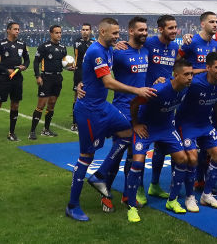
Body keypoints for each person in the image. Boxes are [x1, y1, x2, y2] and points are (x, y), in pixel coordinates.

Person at [66, 17, 156, 222]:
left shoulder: (110, 49)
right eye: (114, 33)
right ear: (102, 31)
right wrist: (137, 90)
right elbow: (107, 82)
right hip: (89, 110)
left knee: (128, 131)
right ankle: (72, 205)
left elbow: (89, 73)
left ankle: (100, 175)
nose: (117, 37)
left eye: (118, 33)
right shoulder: (97, 50)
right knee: (86, 157)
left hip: (103, 106)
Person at [86, 17, 149, 207]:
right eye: (140, 30)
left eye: (146, 30)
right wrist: (82, 84)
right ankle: (105, 195)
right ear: (130, 31)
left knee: (134, 153)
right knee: (120, 151)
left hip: (141, 108)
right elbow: (98, 71)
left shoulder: (146, 50)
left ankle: (127, 195)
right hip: (122, 107)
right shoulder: (118, 52)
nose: (144, 33)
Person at [123, 59, 196, 223]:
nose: (190, 77)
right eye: (186, 74)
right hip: (146, 128)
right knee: (137, 163)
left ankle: (172, 201)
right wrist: (135, 124)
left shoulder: (185, 88)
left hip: (166, 128)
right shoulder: (159, 89)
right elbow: (134, 102)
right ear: (175, 75)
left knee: (182, 158)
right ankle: (132, 207)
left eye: (191, 74)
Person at [175, 51, 217, 209]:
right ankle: (189, 197)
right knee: (192, 158)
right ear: (208, 68)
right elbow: (175, 82)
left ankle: (207, 195)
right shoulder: (194, 83)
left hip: (205, 124)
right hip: (186, 124)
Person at [143, 15, 181, 198]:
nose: (174, 31)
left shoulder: (174, 47)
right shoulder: (149, 43)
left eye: (176, 27)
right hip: (147, 101)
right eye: (170, 28)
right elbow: (130, 50)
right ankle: (137, 190)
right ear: (160, 29)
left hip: (167, 104)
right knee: (139, 151)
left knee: (162, 147)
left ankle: (154, 185)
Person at [29, 24, 74, 139]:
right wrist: (37, 76)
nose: (59, 35)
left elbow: (63, 64)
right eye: (56, 33)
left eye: (60, 32)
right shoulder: (44, 47)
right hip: (46, 78)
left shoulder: (63, 48)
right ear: (51, 33)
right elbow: (36, 62)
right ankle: (32, 131)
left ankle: (46, 129)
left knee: (52, 104)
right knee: (41, 104)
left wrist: (69, 68)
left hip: (58, 78)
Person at [0, 21, 29, 144]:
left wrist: (24, 66)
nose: (17, 31)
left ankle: (11, 133)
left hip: (17, 79)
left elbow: (27, 60)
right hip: (3, 79)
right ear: (8, 30)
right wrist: (6, 70)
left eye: (18, 29)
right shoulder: (0, 44)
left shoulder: (22, 44)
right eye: (15, 29)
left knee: (15, 105)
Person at [71, 23, 93, 132]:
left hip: (90, 73)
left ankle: (87, 121)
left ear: (90, 31)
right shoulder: (77, 42)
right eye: (83, 29)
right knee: (77, 97)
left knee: (89, 96)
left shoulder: (94, 42)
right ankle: (75, 122)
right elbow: (76, 56)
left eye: (87, 30)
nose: (85, 31)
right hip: (79, 71)